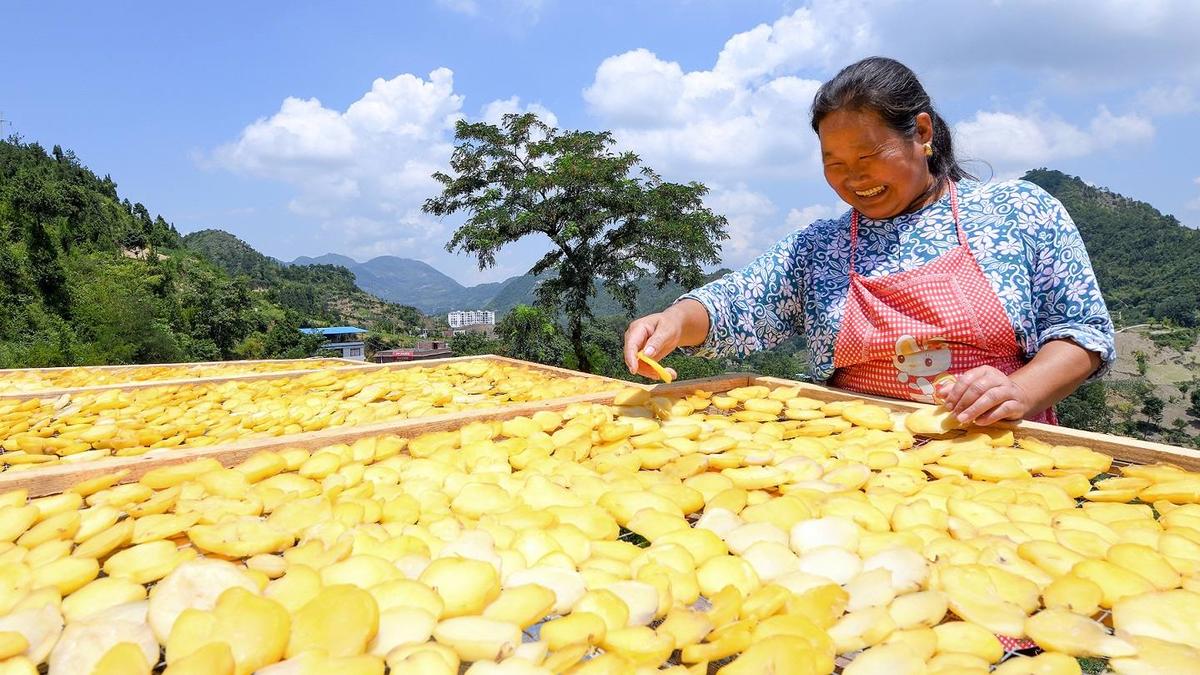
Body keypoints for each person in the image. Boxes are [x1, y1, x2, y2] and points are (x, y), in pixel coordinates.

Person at [623, 56, 1115, 426]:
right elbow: (734, 304)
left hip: (996, 453)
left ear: (921, 132)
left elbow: (1083, 335)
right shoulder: (820, 247)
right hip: (861, 459)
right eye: (834, 163)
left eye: (868, 156)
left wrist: (1020, 389)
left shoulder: (1018, 211)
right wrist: (672, 321)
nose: (854, 179)